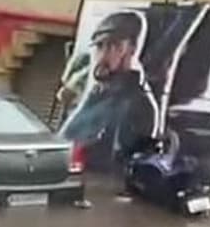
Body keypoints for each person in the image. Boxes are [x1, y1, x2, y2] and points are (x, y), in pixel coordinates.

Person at [60, 10, 160, 172]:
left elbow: (116, 164)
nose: (104, 55)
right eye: (100, 46)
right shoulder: (97, 94)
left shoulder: (136, 103)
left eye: (115, 46)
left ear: (132, 49)